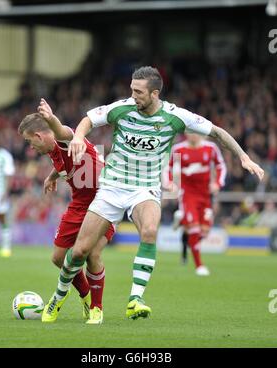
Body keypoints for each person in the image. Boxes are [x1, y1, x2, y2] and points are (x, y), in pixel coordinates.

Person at [42, 66, 264, 322]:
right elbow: (88, 119)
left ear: (155, 93)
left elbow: (217, 132)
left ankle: (135, 299)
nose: (133, 95)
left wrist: (243, 157)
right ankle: (58, 297)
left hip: (145, 189)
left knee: (149, 231)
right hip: (112, 187)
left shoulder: (175, 116)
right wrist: (79, 136)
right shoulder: (122, 108)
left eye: (138, 92)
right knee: (80, 252)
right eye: (131, 90)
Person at [18, 99, 114, 324]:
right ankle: (85, 295)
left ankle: (96, 308)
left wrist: (51, 118)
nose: (31, 148)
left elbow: (61, 130)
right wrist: (52, 176)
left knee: (92, 254)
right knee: (58, 258)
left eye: (30, 143)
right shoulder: (52, 151)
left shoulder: (64, 139)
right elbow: (63, 164)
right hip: (79, 203)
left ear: (40, 136)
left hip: (106, 201)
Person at [168, 133, 227, 276]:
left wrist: (218, 183)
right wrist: (171, 183)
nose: (193, 135)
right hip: (187, 195)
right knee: (194, 229)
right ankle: (199, 266)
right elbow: (167, 167)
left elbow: (221, 166)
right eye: (190, 132)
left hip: (205, 196)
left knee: (204, 232)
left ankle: (181, 220)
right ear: (186, 133)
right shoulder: (178, 149)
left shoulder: (211, 148)